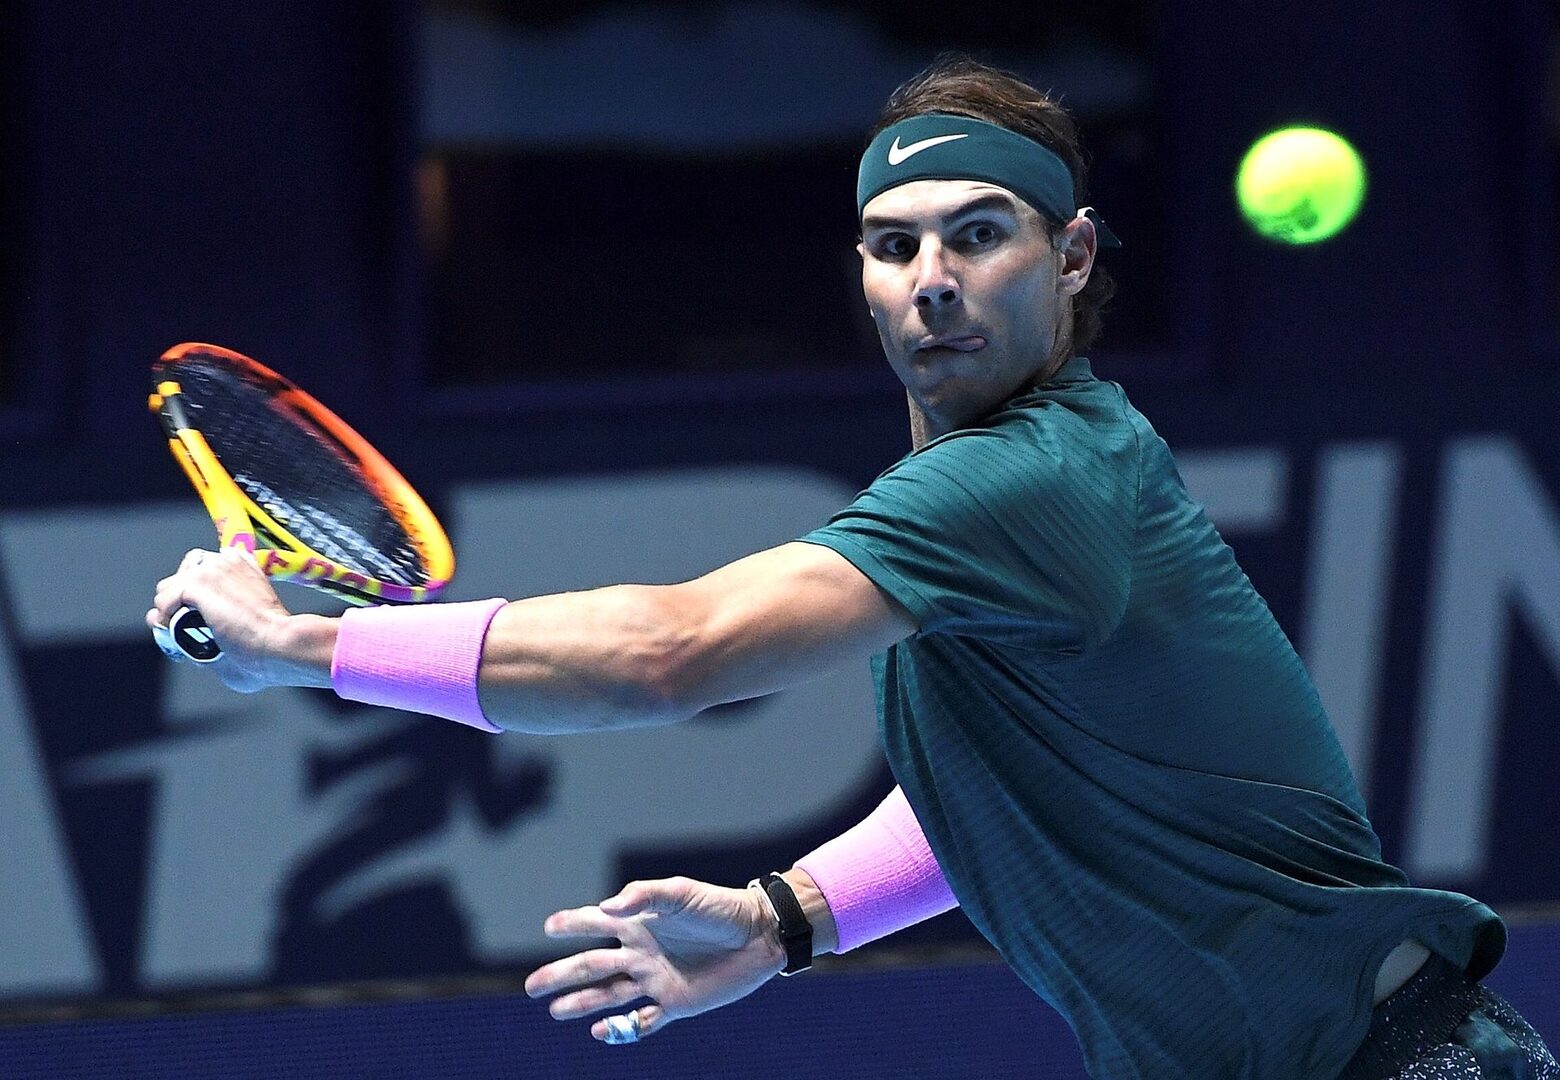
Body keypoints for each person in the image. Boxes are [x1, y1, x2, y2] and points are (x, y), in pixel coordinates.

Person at [148, 56, 1554, 1079]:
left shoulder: (1032, 478)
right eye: (896, 244)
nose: (931, 277)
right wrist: (783, 922)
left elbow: (667, 654)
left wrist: (303, 648)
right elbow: (1011, 797)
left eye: (979, 235)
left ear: (1070, 257)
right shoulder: (1002, 503)